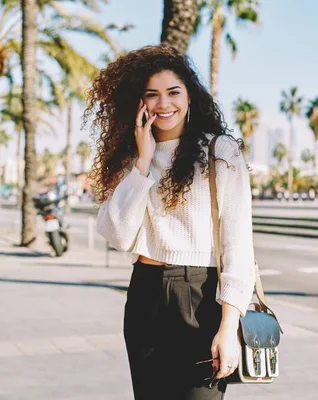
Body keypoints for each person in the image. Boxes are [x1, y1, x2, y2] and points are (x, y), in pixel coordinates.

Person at [86, 44, 256, 399]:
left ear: (190, 97)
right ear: (139, 103)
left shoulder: (220, 151)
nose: (164, 104)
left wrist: (229, 326)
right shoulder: (132, 158)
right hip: (145, 291)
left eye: (173, 92)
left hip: (201, 294)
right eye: (152, 94)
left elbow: (237, 244)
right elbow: (117, 235)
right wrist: (143, 162)